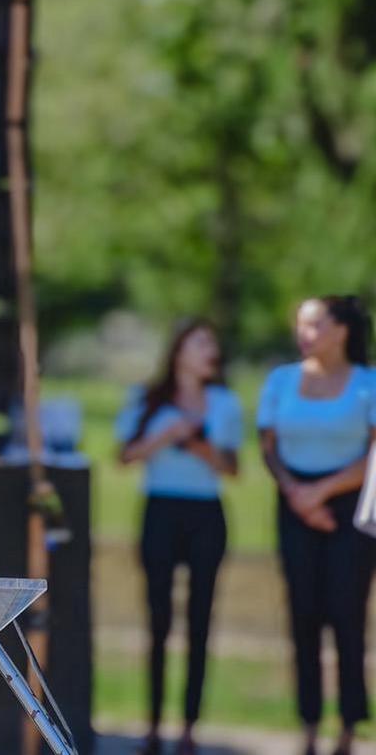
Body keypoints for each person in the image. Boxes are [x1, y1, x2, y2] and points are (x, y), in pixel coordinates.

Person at [116, 320, 242, 755]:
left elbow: (231, 467)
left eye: (213, 343)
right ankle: (152, 726)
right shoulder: (147, 400)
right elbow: (125, 456)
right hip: (160, 511)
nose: (211, 351)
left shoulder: (224, 403)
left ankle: (189, 726)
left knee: (201, 621)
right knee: (158, 621)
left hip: (206, 513)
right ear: (180, 352)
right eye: (201, 342)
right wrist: (165, 436)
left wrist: (195, 441)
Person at [258, 295, 376, 755]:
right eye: (301, 325)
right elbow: (268, 445)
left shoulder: (368, 382)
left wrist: (322, 492)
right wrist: (297, 494)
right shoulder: (281, 380)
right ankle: (308, 724)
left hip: (351, 507)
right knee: (303, 614)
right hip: (293, 504)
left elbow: (373, 454)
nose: (304, 334)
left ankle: (348, 726)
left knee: (347, 616)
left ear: (341, 330)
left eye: (314, 325)